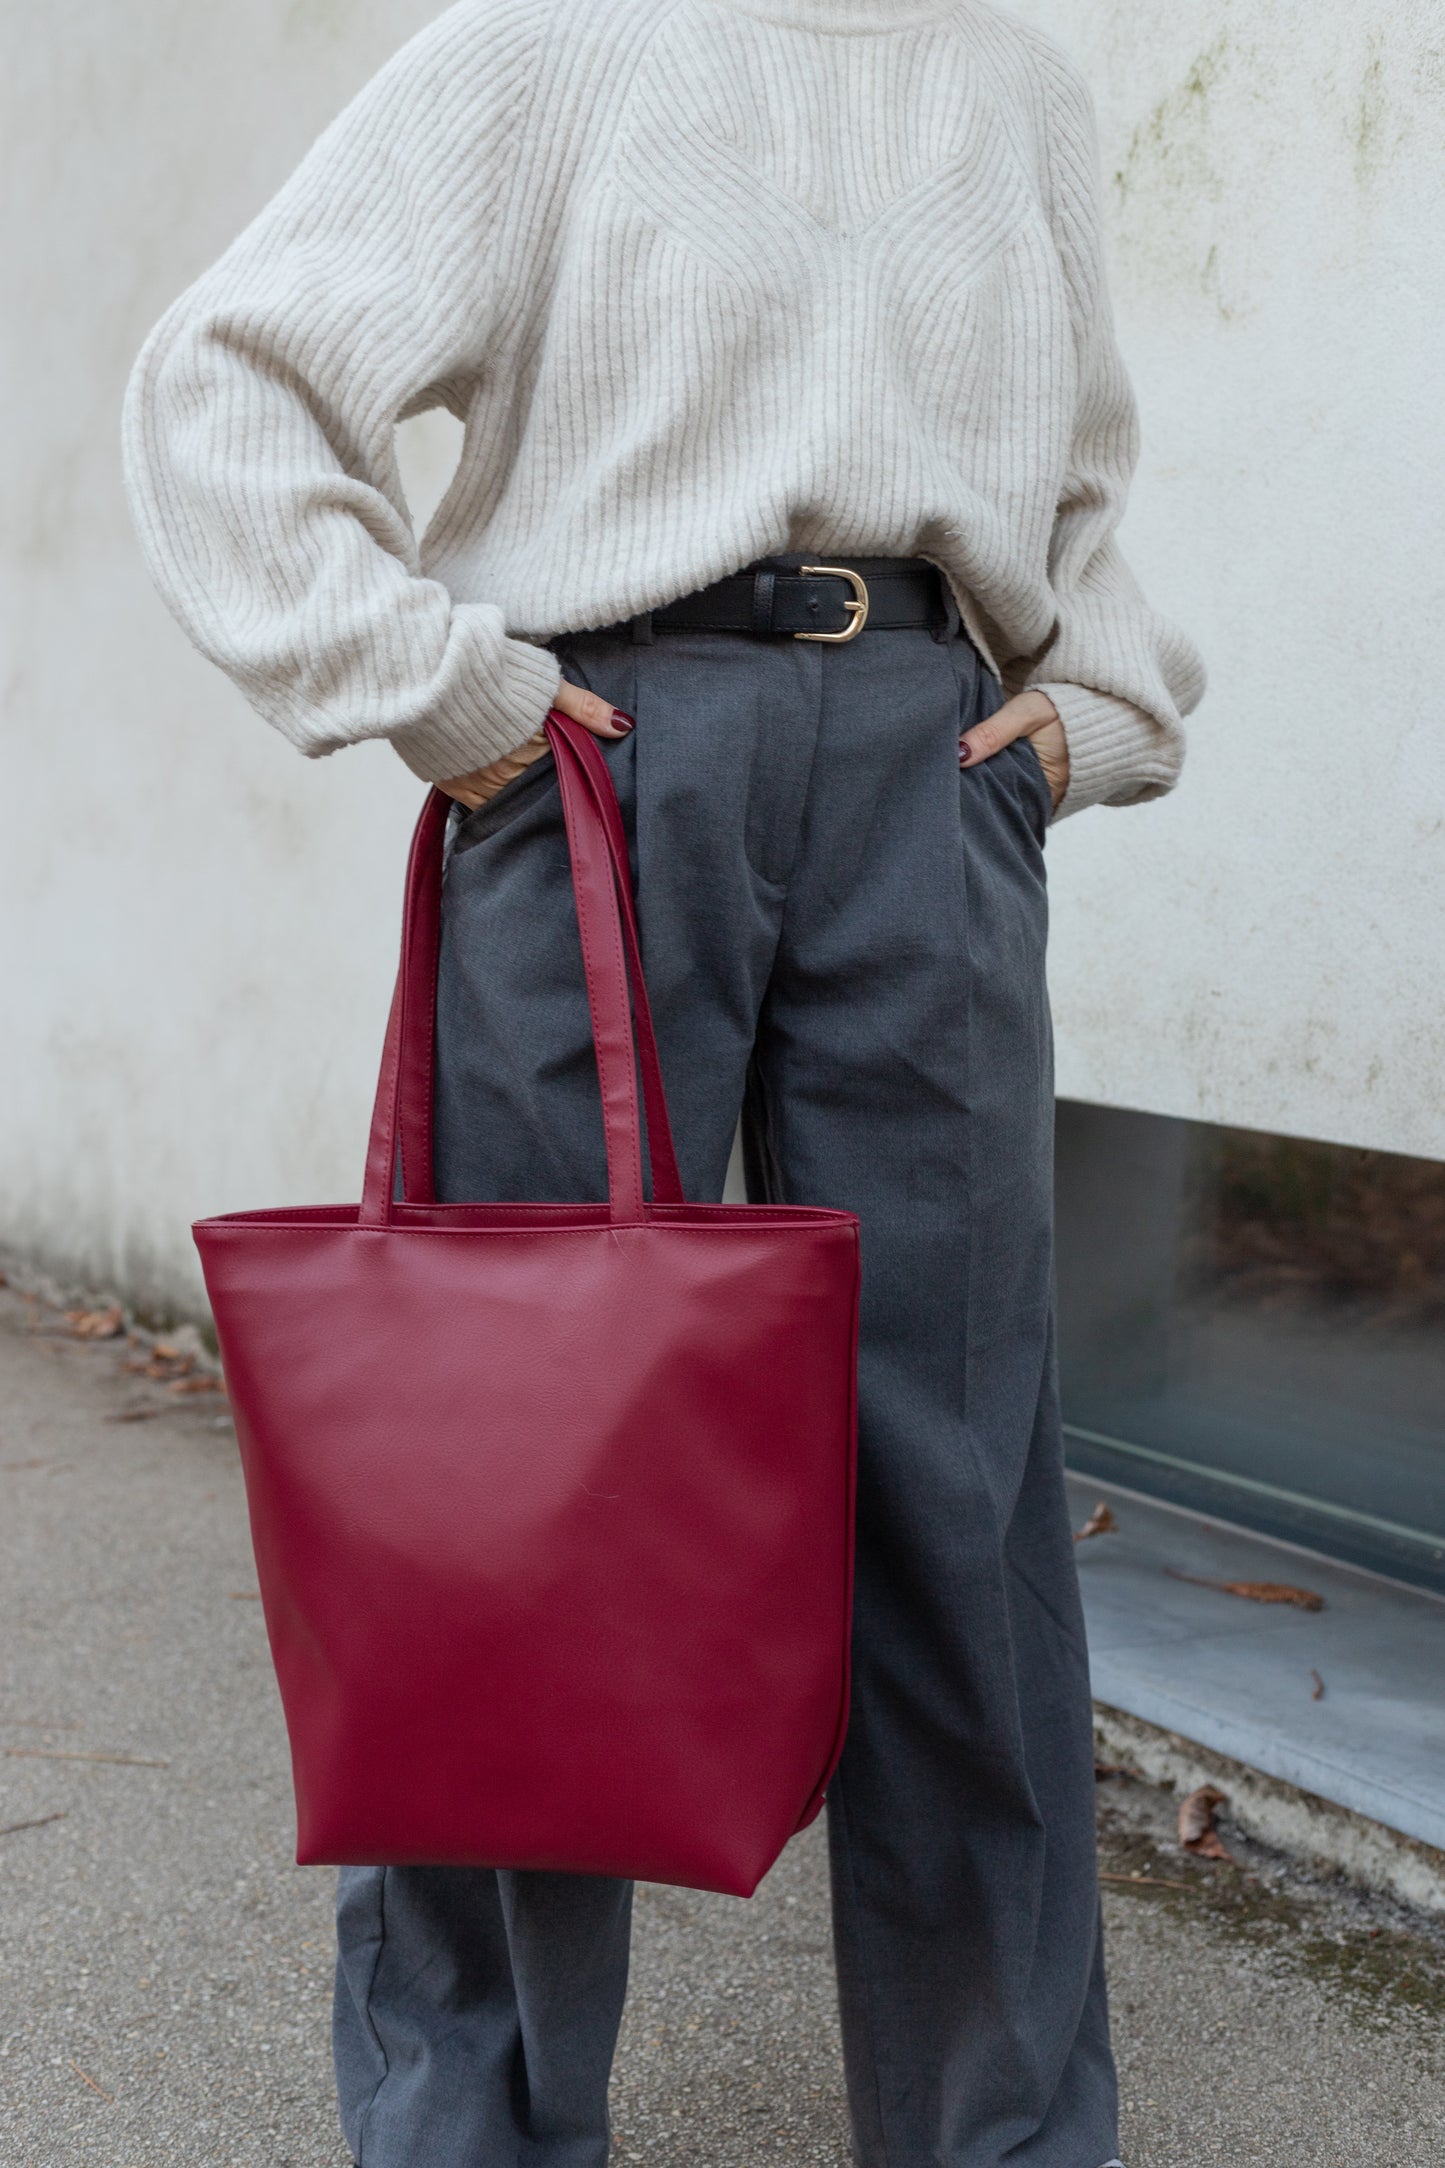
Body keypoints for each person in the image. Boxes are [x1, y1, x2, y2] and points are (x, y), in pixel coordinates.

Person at [123, 0, 1204, 2161]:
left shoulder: (1018, 85)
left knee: (961, 1486)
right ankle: (479, 2124)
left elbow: (1079, 479)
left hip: (934, 766)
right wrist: (442, 693)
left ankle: (999, 2131)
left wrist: (1096, 709)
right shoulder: (549, 44)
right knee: (518, 1488)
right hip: (600, 760)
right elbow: (228, 383)